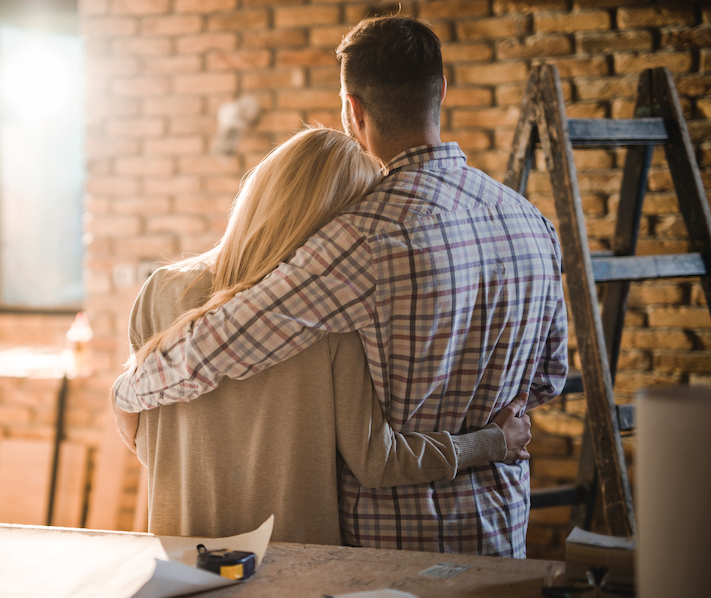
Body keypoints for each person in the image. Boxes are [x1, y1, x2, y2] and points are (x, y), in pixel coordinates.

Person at [113, 16, 567, 558]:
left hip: (395, 546)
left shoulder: (362, 236)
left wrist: (126, 391)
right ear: (442, 91)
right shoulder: (530, 220)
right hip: (500, 521)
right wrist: (492, 431)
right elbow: (547, 378)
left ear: (352, 108)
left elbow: (223, 341)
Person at [125, 126, 532, 545]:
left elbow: (144, 438)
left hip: (177, 555)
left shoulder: (160, 289)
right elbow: (379, 462)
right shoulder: (328, 322)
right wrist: (492, 442)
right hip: (290, 562)